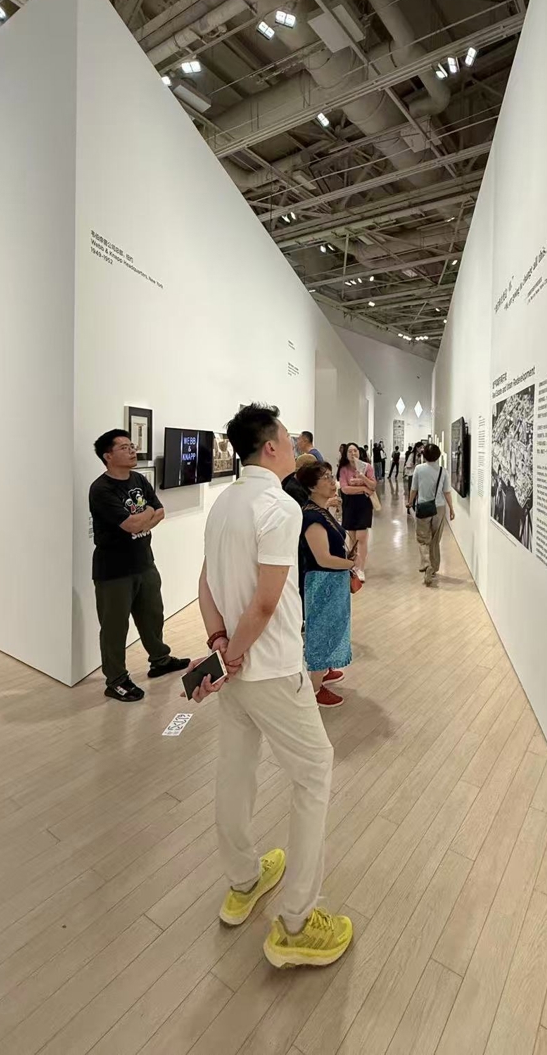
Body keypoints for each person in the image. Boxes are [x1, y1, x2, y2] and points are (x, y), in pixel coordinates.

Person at [188, 403, 352, 969]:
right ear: (272, 446)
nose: (294, 444)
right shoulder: (278, 507)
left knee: (235, 771)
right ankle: (298, 922)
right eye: (287, 436)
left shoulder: (223, 504)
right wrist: (234, 654)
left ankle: (243, 879)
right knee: (314, 772)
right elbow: (264, 602)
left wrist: (219, 644)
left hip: (236, 673)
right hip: (273, 669)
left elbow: (205, 584)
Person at [89, 430, 189, 702]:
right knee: (114, 627)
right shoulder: (101, 489)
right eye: (124, 447)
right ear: (108, 456)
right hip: (113, 570)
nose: (132, 450)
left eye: (131, 445)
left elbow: (160, 511)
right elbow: (133, 524)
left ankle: (160, 660)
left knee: (152, 615)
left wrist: (142, 519)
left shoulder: (139, 479)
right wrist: (144, 517)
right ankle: (116, 680)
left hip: (144, 562)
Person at [295, 462, 355, 709]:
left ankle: (324, 671)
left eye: (332, 476)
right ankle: (315, 688)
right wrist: (350, 564)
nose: (333, 482)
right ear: (312, 486)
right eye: (326, 478)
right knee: (321, 631)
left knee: (332, 627)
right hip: (323, 581)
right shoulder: (311, 517)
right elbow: (323, 558)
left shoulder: (321, 510)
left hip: (333, 579)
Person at [410, 442, 455, 586]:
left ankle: (426, 564)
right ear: (438, 456)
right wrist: (451, 508)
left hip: (423, 506)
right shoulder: (443, 471)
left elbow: (414, 489)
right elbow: (447, 492)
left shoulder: (419, 469)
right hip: (439, 507)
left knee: (423, 538)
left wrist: (410, 502)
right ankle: (434, 568)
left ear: (424, 455)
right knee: (435, 538)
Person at [337, 443, 376, 581]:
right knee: (352, 537)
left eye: (355, 450)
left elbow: (373, 485)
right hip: (349, 504)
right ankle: (353, 566)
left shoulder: (367, 467)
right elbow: (344, 489)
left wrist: (363, 478)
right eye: (350, 451)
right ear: (346, 454)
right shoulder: (343, 469)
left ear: (359, 452)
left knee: (361, 537)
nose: (353, 453)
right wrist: (363, 489)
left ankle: (361, 568)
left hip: (364, 504)